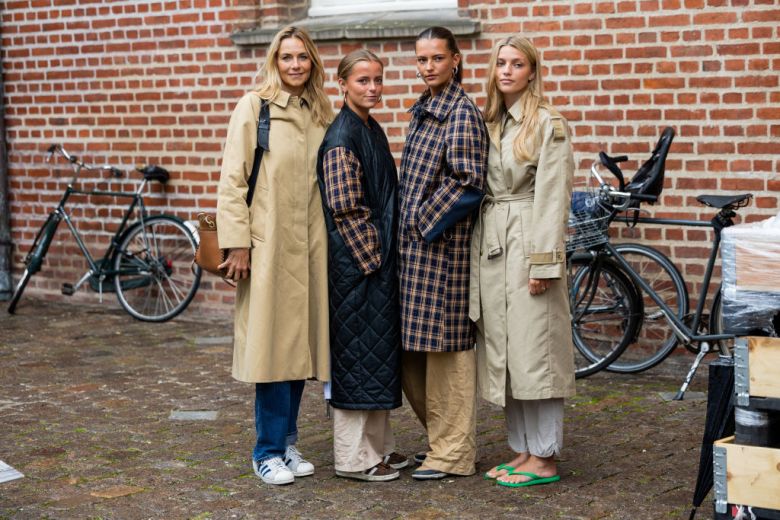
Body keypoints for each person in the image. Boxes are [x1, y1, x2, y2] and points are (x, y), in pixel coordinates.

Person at [216, 26, 333, 486]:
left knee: (298, 350)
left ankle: (287, 443)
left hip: (312, 250)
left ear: (312, 62)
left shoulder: (320, 112)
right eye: (287, 57)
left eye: (303, 57)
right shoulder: (255, 107)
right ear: (274, 61)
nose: (295, 65)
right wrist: (238, 244)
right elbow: (232, 181)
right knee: (272, 351)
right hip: (268, 250)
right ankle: (266, 451)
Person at [470, 35, 576, 488]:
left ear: (532, 71)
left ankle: (545, 456)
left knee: (537, 351)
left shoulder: (548, 123)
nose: (507, 71)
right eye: (501, 63)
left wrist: (544, 264)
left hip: (529, 238)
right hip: (495, 242)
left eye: (517, 64)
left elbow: (553, 197)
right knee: (507, 352)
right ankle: (523, 450)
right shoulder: (492, 121)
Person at [397, 26, 487, 481]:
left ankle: (453, 454)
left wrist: (420, 222)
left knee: (448, 356)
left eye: (437, 57)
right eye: (422, 59)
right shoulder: (424, 108)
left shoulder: (461, 112)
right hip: (412, 257)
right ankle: (442, 442)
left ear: (455, 59)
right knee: (413, 355)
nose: (428, 66)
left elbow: (469, 181)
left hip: (444, 256)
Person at [316, 49, 407, 482]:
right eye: (363, 80)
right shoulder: (341, 138)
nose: (373, 88)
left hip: (376, 265)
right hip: (358, 268)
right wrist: (375, 263)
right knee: (357, 360)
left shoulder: (370, 128)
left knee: (376, 359)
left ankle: (379, 449)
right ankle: (354, 459)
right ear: (342, 84)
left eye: (378, 80)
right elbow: (346, 209)